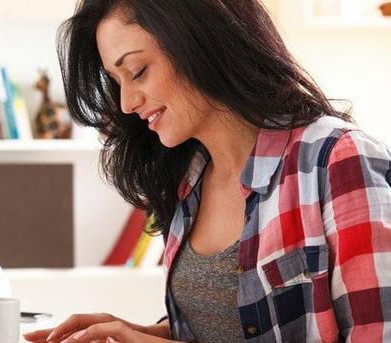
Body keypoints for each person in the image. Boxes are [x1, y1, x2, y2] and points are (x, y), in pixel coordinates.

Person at [23, 0, 391, 342]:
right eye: (117, 81)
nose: (127, 102)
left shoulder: (336, 159)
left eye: (138, 71)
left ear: (198, 41)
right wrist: (134, 332)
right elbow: (228, 326)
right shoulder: (189, 179)